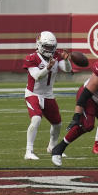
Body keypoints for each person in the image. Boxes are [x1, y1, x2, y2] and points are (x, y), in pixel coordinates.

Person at [22, 31, 71, 160]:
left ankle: (52, 147)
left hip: (48, 95)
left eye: (51, 47)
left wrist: (66, 60)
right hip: (33, 94)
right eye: (47, 47)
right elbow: (37, 76)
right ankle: (29, 151)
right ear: (39, 45)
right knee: (36, 119)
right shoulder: (31, 58)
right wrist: (47, 68)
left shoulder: (56, 56)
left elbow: (67, 69)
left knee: (57, 124)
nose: (49, 50)